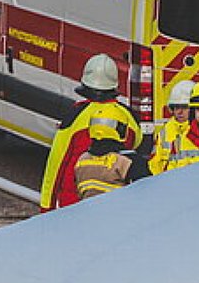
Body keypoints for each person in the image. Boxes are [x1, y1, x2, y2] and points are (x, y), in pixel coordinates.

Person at [39, 54, 142, 212]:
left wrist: (46, 207)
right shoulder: (129, 117)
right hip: (116, 206)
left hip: (74, 204)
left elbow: (56, 164)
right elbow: (137, 149)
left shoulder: (75, 116)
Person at [74, 121, 149, 200]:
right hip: (119, 210)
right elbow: (146, 193)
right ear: (120, 129)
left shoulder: (82, 160)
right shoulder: (128, 161)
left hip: (87, 210)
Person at [149, 78, 193, 173]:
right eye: (176, 107)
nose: (180, 112)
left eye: (185, 107)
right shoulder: (165, 131)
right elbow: (154, 162)